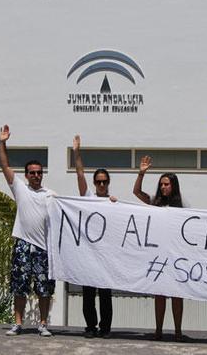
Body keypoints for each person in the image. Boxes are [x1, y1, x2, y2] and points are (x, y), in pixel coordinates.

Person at [0, 125, 56, 337]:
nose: (36, 176)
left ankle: (43, 324)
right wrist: (2, 142)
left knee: (44, 289)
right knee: (19, 287)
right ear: (26, 175)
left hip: (43, 249)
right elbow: (4, 165)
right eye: (32, 173)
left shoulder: (51, 195)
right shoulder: (19, 188)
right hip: (23, 244)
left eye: (39, 173)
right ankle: (18, 324)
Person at [133, 155, 184, 342]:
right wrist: (141, 173)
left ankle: (178, 331)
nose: (163, 187)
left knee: (177, 296)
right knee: (160, 294)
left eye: (167, 184)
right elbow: (136, 192)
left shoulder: (182, 209)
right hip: (158, 255)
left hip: (176, 256)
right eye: (161, 184)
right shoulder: (154, 203)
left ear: (173, 186)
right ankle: (159, 330)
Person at [72, 134, 117, 339]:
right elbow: (80, 174)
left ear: (108, 183)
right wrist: (76, 153)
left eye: (104, 182)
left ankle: (105, 328)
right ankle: (91, 327)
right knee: (88, 294)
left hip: (106, 255)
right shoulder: (88, 197)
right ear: (94, 183)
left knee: (105, 295)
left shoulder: (113, 202)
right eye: (98, 182)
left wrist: (117, 205)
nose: (101, 185)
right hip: (88, 254)